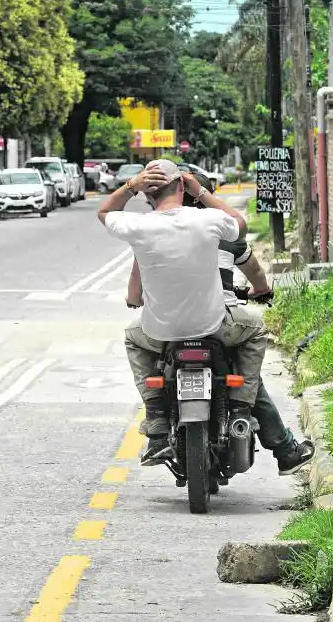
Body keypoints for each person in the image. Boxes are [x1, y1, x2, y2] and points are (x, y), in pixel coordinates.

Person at [125, 174, 315, 475]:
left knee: (134, 338)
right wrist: (260, 293)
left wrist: (138, 301)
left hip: (168, 329)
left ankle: (158, 421)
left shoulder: (149, 236)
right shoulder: (223, 231)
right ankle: (276, 441)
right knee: (248, 374)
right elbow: (257, 276)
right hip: (220, 323)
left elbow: (134, 295)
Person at [98, 159, 268, 465]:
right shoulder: (207, 220)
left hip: (159, 333)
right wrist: (201, 191)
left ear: (147, 195)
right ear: (181, 186)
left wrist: (129, 186)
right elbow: (239, 224)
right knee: (254, 328)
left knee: (132, 338)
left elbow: (104, 213)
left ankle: (157, 417)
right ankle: (242, 409)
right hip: (213, 326)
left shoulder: (138, 226)